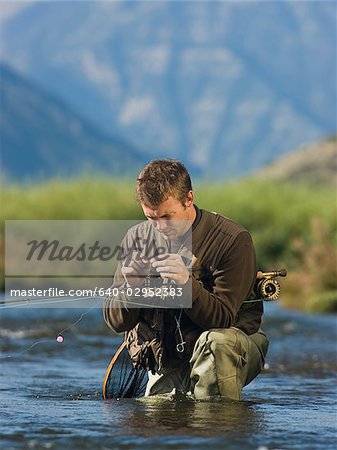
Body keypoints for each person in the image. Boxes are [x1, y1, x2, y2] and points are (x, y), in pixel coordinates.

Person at [103, 159, 269, 400]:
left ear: (189, 199)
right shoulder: (136, 238)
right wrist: (132, 287)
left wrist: (185, 283)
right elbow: (116, 322)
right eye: (151, 218)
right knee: (162, 420)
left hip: (233, 346)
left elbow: (222, 318)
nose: (159, 227)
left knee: (216, 344)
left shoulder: (233, 240)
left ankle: (220, 424)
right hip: (168, 356)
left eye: (167, 217)